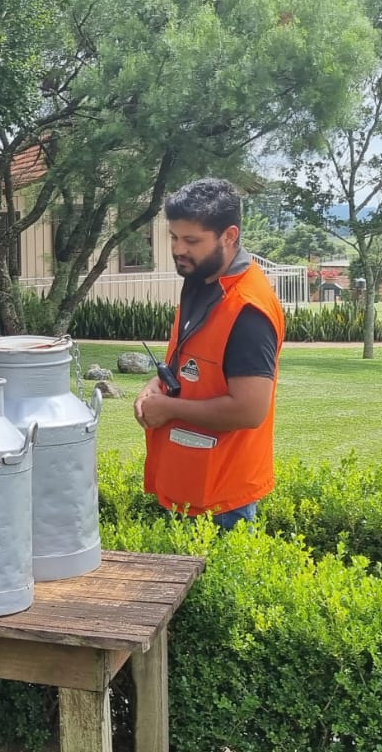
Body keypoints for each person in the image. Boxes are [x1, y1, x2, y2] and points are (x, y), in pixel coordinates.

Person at [134, 178, 285, 530]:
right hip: (188, 487)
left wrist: (167, 408)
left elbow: (250, 409)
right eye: (173, 237)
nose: (178, 249)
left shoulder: (247, 309)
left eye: (191, 240)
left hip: (223, 503)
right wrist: (153, 387)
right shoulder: (202, 280)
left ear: (229, 236)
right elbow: (188, 366)